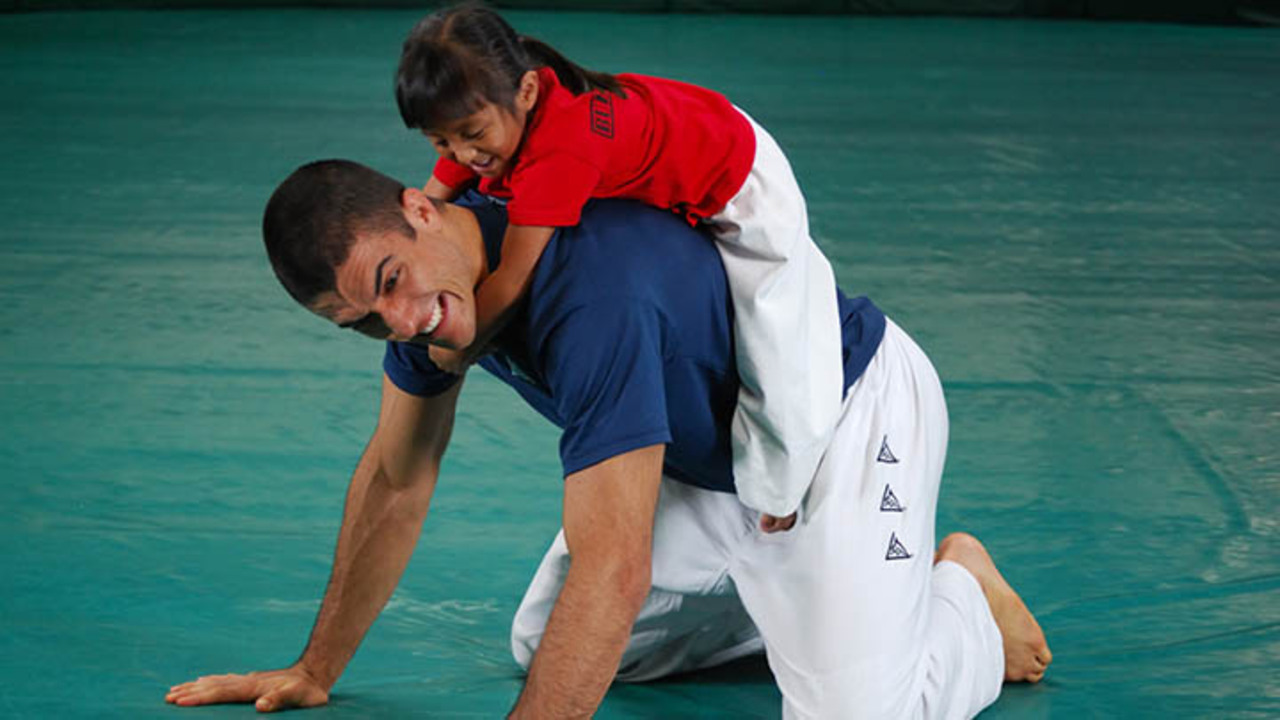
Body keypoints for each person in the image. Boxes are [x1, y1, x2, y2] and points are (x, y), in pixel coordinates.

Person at [164, 160, 1052, 718]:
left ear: (421, 208)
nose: (403, 323)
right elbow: (397, 480)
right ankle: (825, 597)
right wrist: (316, 667)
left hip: (846, 429)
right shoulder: (440, 297)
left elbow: (616, 566)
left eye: (391, 281)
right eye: (364, 320)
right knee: (555, 643)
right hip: (720, 460)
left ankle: (957, 599)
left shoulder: (591, 295)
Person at [396, 4, 843, 526]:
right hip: (687, 130)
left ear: (527, 92)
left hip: (741, 175)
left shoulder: (562, 149)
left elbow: (513, 278)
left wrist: (455, 348)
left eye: (472, 135)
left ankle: (785, 491)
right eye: (441, 140)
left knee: (774, 336)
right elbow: (436, 199)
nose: (461, 153)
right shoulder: (490, 109)